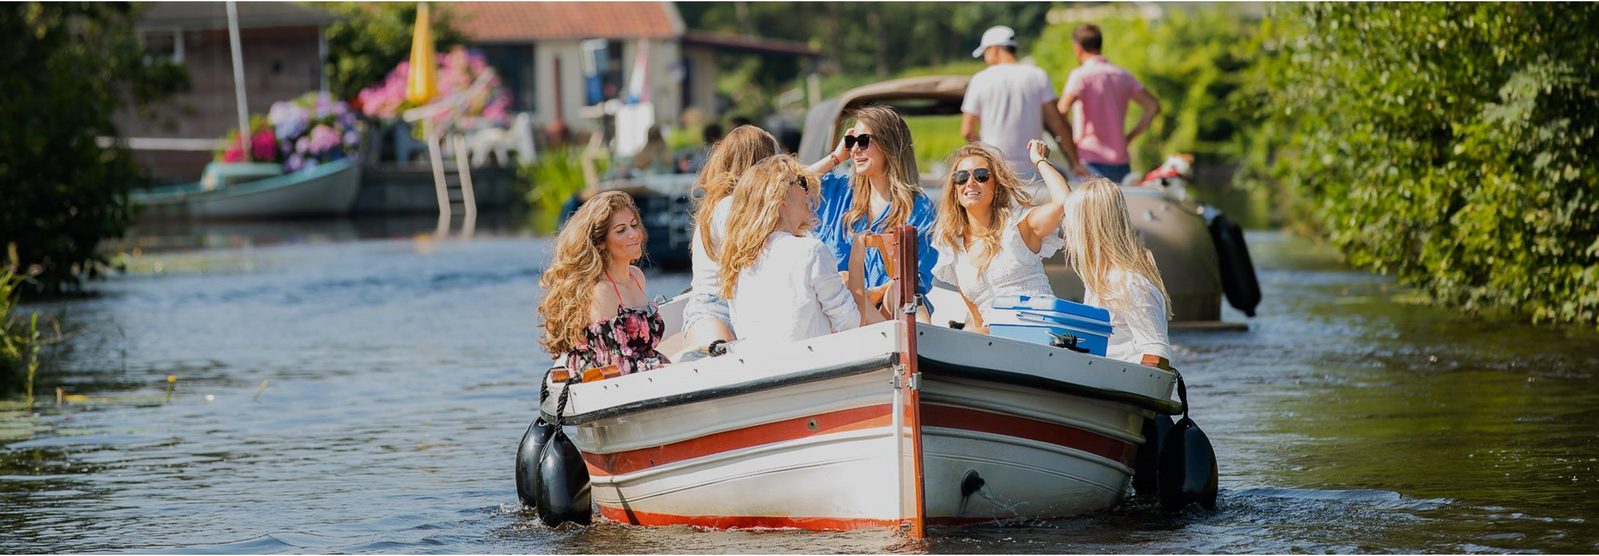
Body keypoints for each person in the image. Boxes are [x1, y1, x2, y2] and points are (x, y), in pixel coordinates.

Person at [719, 156, 881, 346]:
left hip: (759, 367)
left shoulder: (736, 261)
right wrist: (857, 255)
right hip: (809, 367)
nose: (809, 190)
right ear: (781, 197)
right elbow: (852, 324)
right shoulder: (811, 252)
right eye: (801, 182)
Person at [807, 105, 939, 321]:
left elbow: (915, 277)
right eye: (852, 142)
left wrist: (873, 294)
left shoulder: (918, 206)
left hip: (890, 312)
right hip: (840, 312)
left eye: (864, 141)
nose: (855, 150)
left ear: (889, 144)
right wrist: (836, 157)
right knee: (846, 281)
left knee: (901, 294)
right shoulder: (838, 193)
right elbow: (783, 186)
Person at [933, 140, 1073, 330]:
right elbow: (979, 320)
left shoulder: (1018, 226)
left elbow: (1064, 202)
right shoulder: (953, 247)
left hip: (1040, 332)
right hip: (997, 343)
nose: (970, 183)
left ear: (996, 185)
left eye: (981, 176)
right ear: (955, 189)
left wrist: (1039, 160)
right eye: (961, 177)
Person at [538, 191, 669, 375]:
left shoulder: (637, 277)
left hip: (644, 372)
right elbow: (614, 363)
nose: (633, 234)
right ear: (601, 243)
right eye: (621, 230)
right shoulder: (602, 291)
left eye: (633, 225)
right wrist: (667, 369)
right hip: (609, 381)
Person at [683, 125, 779, 349]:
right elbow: (752, 257)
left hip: (738, 305)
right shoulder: (728, 207)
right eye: (775, 160)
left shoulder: (732, 203)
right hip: (716, 309)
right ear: (759, 164)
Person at [1060, 177, 1173, 366]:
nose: (1066, 229)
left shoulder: (1128, 283)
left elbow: (1157, 354)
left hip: (1123, 385)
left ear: (1088, 228)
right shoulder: (1099, 281)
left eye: (1070, 222)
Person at [962, 25, 1089, 182]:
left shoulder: (979, 79)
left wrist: (985, 156)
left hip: (996, 171)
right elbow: (1058, 125)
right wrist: (1074, 163)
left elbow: (967, 130)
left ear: (994, 50)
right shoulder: (1037, 75)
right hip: (1033, 170)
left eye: (985, 53)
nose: (985, 59)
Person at [1057, 24, 1162, 185]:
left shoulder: (1080, 76)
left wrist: (1071, 144)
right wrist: (1128, 138)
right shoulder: (1122, 75)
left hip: (1089, 161)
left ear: (1077, 48)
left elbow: (1061, 111)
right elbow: (1153, 106)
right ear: (1099, 44)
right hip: (1121, 163)